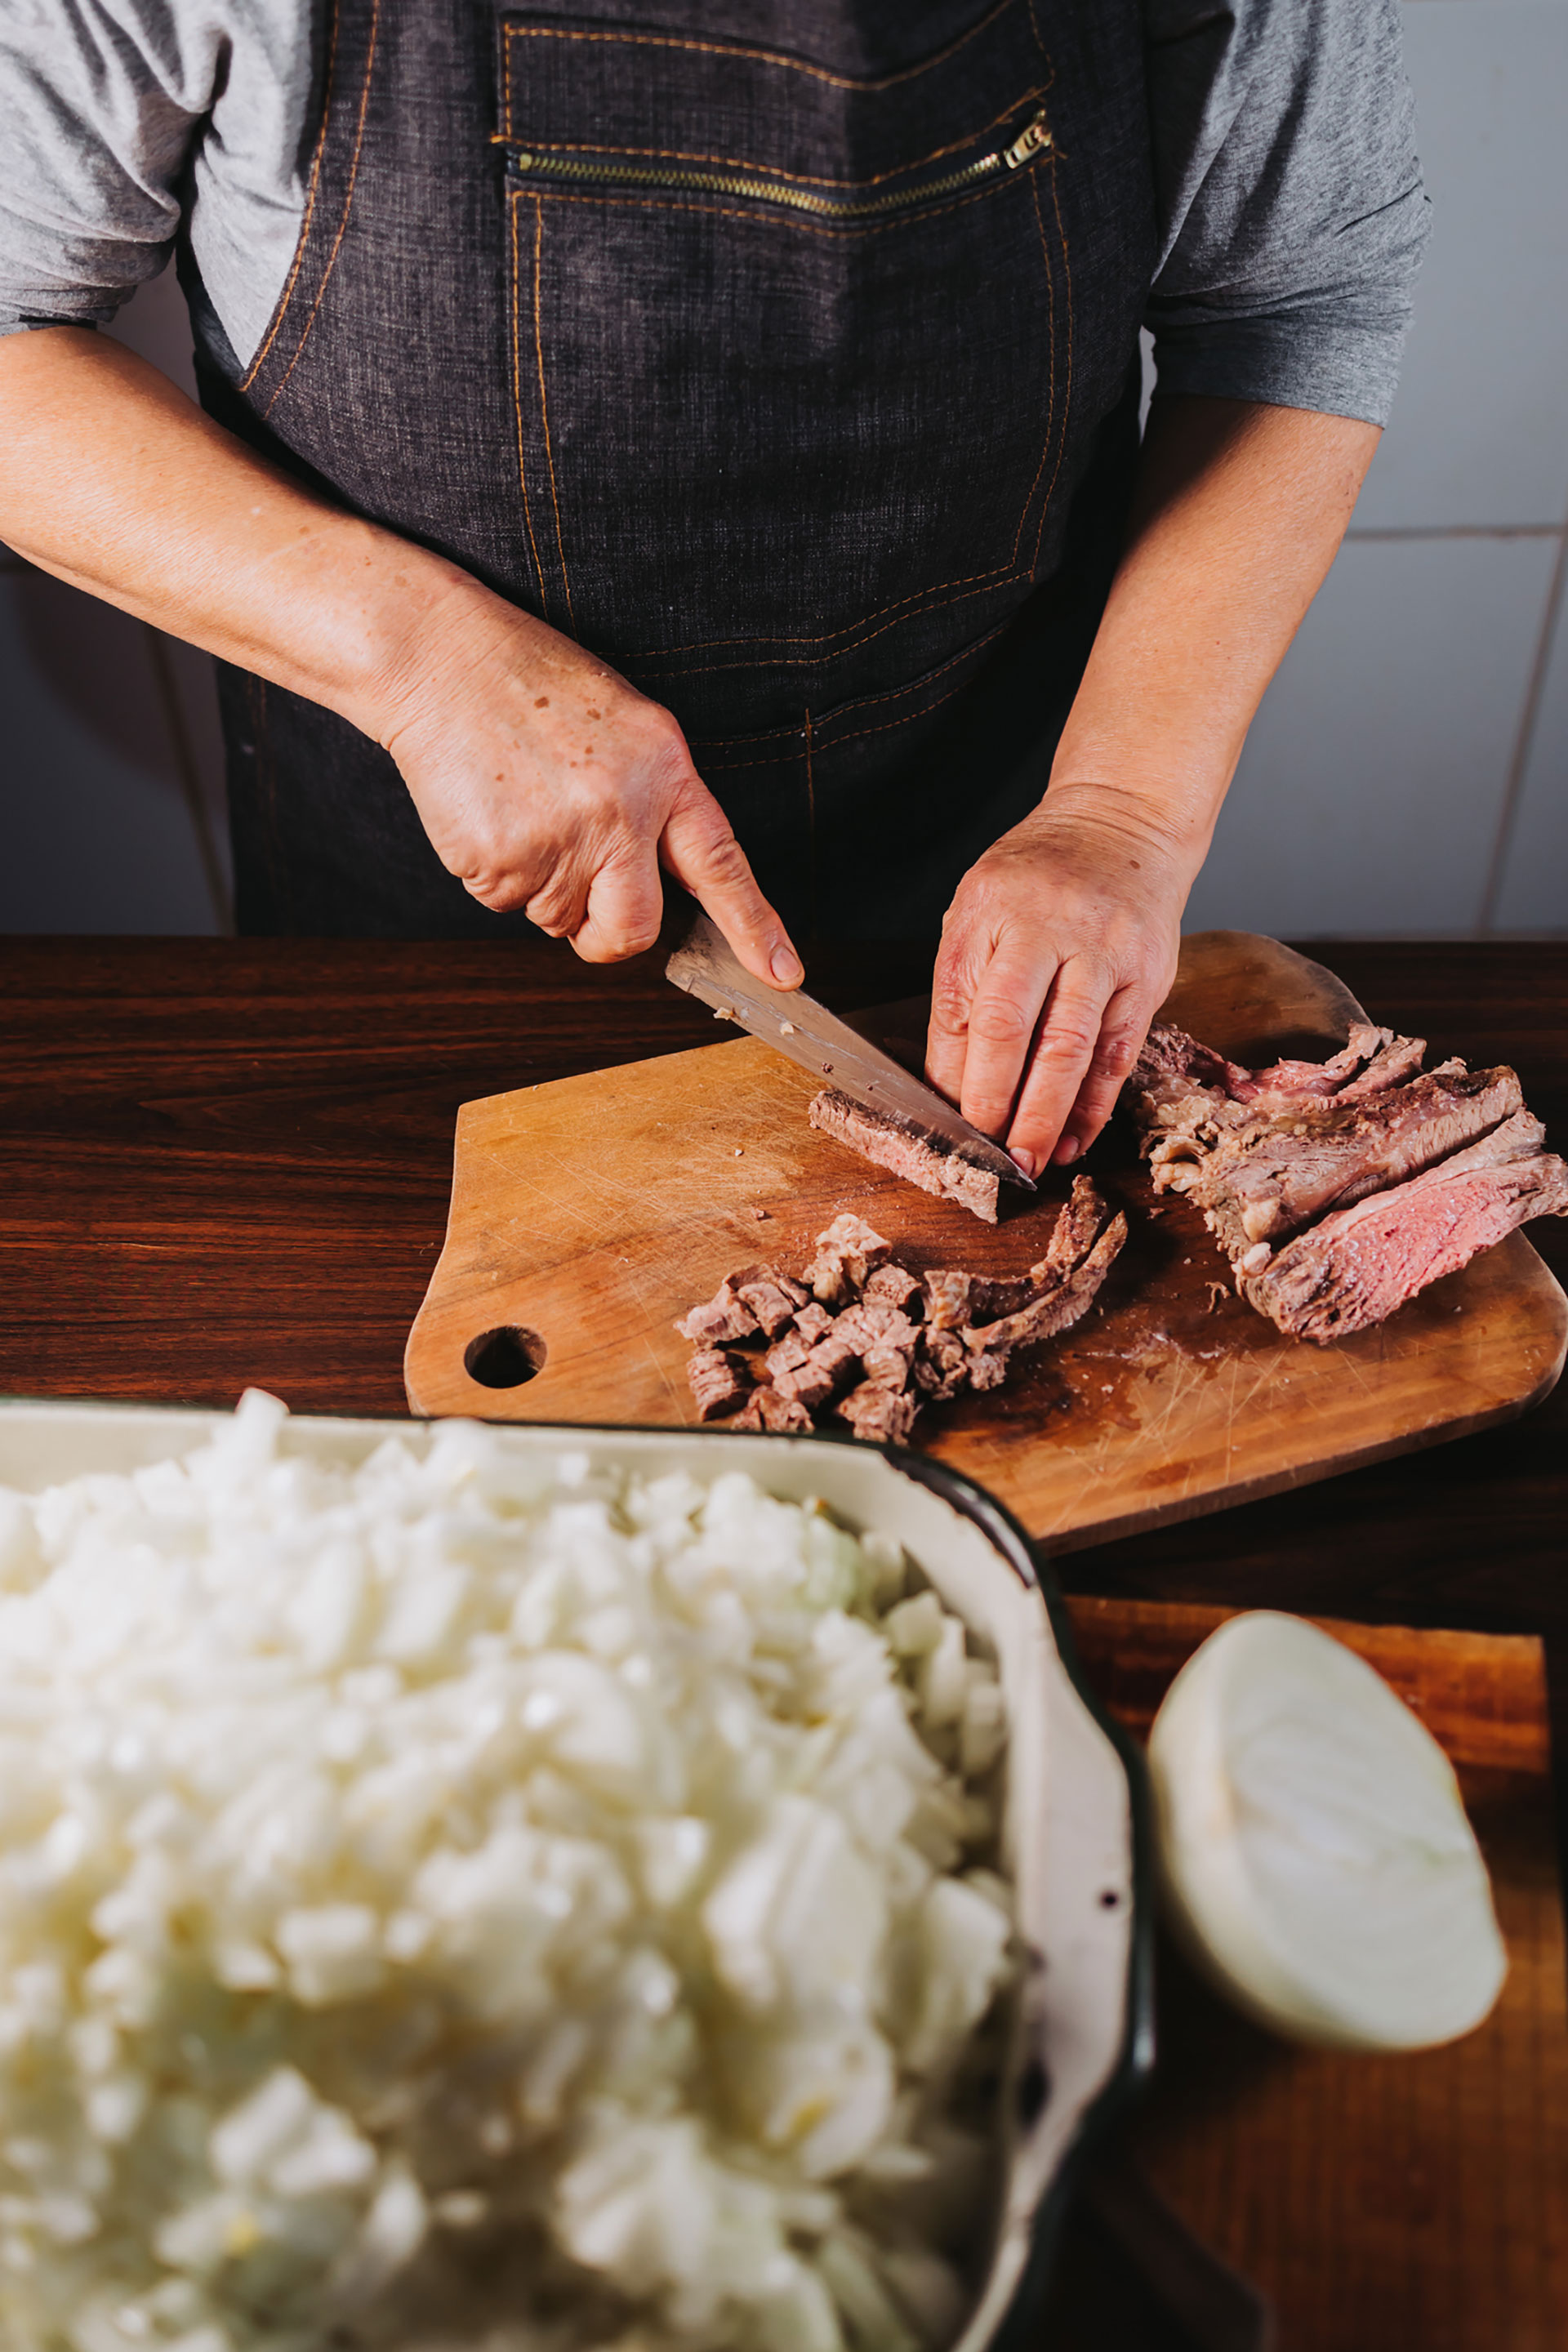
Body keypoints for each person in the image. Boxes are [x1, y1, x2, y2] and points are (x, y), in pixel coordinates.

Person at [0, 1, 1426, 1178]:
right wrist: (421, 661)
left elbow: (1297, 296)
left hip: (986, 830)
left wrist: (1124, 810)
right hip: (424, 899)